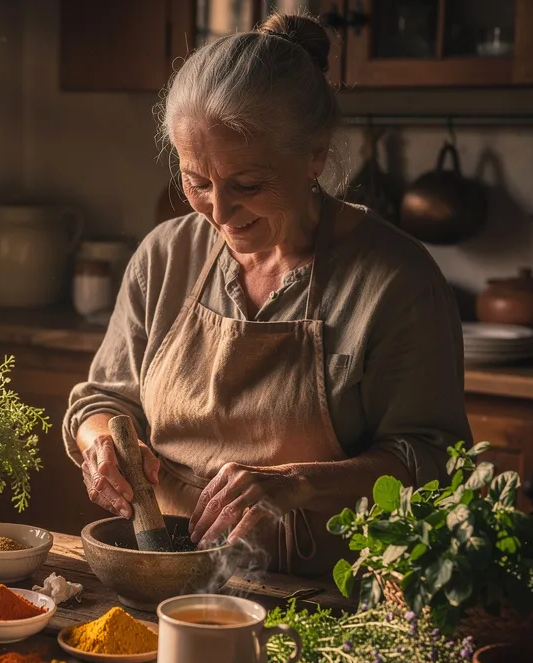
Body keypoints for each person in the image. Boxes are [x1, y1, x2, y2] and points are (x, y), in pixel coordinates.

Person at [63, 13, 471, 576]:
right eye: (196, 182)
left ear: (315, 156)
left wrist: (296, 482)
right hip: (166, 578)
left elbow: (433, 463)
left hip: (323, 597)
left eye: (248, 185)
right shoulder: (165, 256)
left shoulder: (395, 280)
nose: (220, 213)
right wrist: (101, 445)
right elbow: (102, 400)